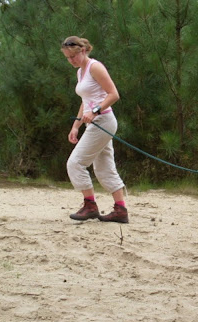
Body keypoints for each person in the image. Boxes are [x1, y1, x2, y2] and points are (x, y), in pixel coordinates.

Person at [61, 36, 128, 223]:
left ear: (83, 51)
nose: (71, 60)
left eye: (73, 56)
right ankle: (120, 210)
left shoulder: (95, 67)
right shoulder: (80, 72)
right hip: (95, 123)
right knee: (104, 167)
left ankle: (90, 206)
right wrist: (76, 126)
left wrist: (96, 110)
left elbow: (113, 94)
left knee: (75, 163)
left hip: (104, 120)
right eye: (67, 57)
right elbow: (85, 102)